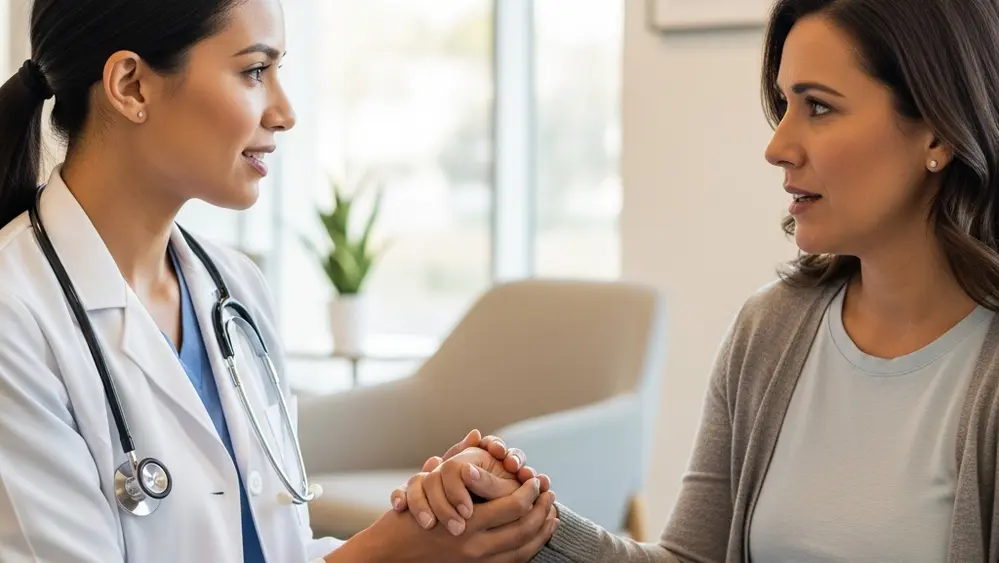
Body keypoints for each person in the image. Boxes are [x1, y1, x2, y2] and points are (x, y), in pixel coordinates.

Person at [392, 0, 999, 560]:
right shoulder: (771, 329)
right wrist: (520, 516)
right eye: (784, 104)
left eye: (818, 106)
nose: (778, 145)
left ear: (939, 130)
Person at [0, 0, 557, 561]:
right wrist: (388, 551)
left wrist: (433, 521)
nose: (285, 113)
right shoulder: (15, 312)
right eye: (254, 72)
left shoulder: (235, 289)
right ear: (132, 85)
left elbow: (278, 549)